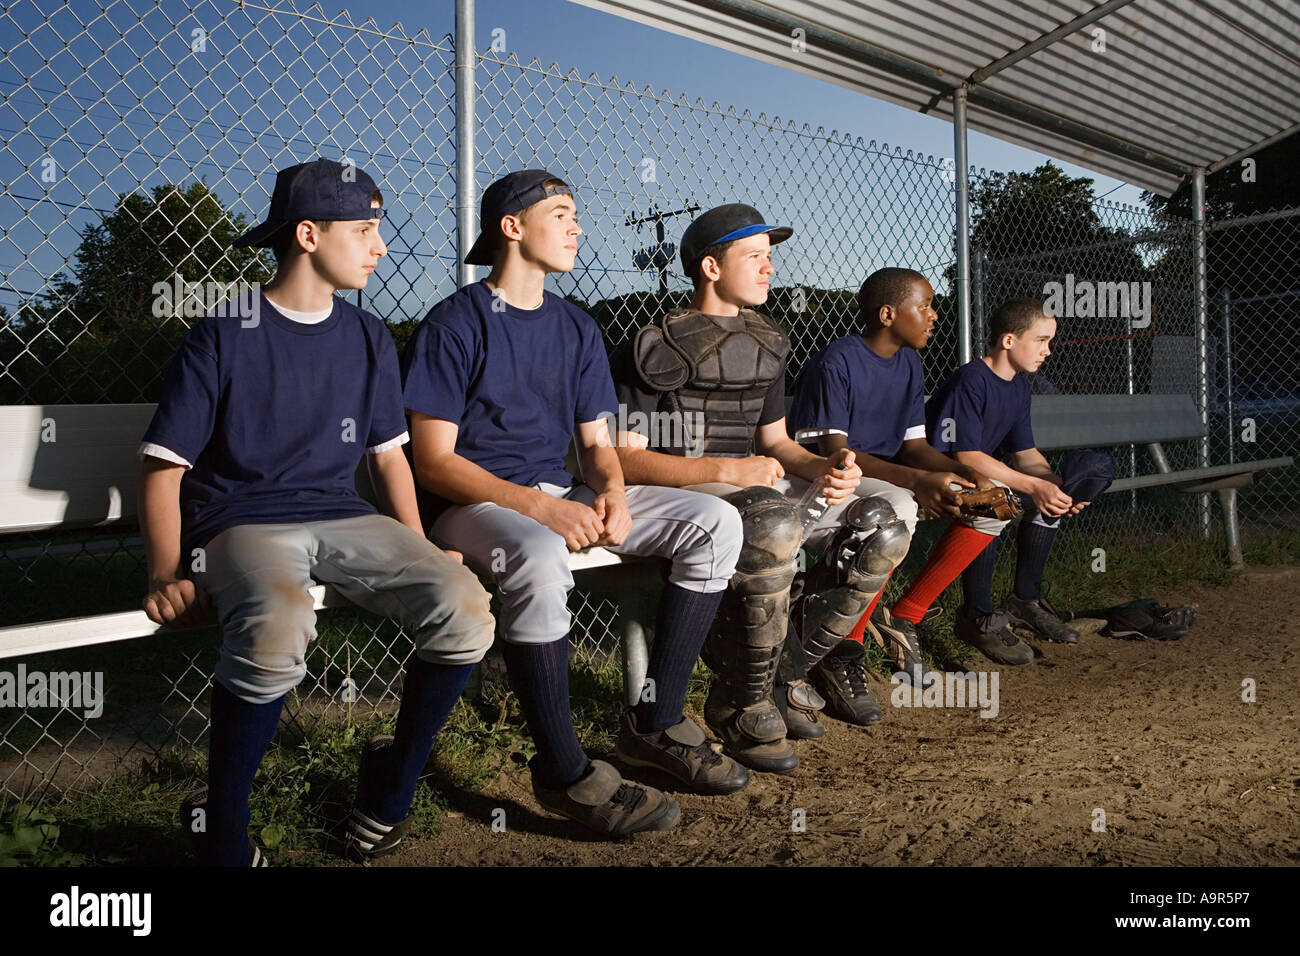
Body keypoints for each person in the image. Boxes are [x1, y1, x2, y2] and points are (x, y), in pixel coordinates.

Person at [139, 158, 496, 866]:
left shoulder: (366, 337)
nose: (380, 245)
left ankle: (391, 790)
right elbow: (163, 466)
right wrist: (164, 572)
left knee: (464, 605)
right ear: (308, 234)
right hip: (241, 523)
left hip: (341, 515)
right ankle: (226, 833)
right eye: (364, 229)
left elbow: (389, 457)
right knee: (279, 621)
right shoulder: (227, 329)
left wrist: (422, 550)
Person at [402, 170, 748, 839]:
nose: (577, 226)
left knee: (715, 522)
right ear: (511, 227)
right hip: (473, 505)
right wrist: (540, 510)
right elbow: (434, 463)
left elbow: (597, 445)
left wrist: (614, 491)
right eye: (561, 213)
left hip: (563, 495)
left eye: (575, 214)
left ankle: (657, 723)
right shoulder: (455, 322)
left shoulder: (575, 326)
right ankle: (563, 772)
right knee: (535, 553)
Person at [609, 203, 906, 768]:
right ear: (711, 268)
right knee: (772, 522)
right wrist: (727, 470)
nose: (769, 269)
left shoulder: (768, 340)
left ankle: (772, 681)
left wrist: (824, 467)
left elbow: (777, 444)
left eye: (770, 258)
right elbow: (624, 459)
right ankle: (744, 705)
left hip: (753, 485)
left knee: (881, 531)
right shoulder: (655, 344)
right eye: (754, 257)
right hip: (686, 493)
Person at [788, 267, 1011, 695]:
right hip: (834, 481)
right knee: (898, 508)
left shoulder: (909, 361)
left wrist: (959, 471)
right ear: (888, 314)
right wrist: (918, 481)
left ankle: (905, 615)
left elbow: (914, 444)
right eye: (924, 306)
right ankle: (843, 648)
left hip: (889, 477)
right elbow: (835, 455)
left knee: (989, 508)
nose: (934, 315)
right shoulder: (837, 362)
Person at [925, 298, 1115, 660]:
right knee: (996, 501)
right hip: (935, 475)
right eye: (1041, 340)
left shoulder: (1018, 386)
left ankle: (1025, 601)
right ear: (1009, 341)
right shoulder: (971, 380)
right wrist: (1032, 486)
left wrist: (1054, 485)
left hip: (977, 475)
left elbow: (1025, 454)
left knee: (1049, 499)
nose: (1048, 351)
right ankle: (977, 616)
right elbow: (966, 456)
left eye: (1050, 341)